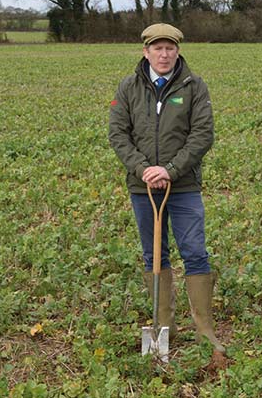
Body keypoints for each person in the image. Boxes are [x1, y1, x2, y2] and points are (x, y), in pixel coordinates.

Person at [108, 23, 226, 362]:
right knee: (153, 256)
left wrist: (170, 170)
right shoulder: (128, 87)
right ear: (145, 51)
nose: (164, 54)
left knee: (195, 253)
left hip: (184, 186)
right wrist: (143, 168)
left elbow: (202, 135)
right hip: (142, 186)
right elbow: (118, 134)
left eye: (170, 48)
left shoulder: (194, 86)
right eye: (157, 48)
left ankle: (205, 329)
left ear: (177, 51)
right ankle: (164, 327)